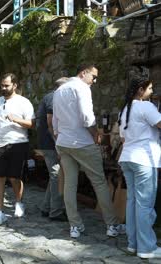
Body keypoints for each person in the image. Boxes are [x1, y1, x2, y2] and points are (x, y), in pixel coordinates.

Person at [52, 63, 125, 238]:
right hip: (81, 142)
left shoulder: (59, 90)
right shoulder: (82, 88)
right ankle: (112, 225)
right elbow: (87, 117)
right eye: (93, 76)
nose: (95, 80)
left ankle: (75, 226)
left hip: (64, 141)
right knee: (99, 182)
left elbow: (54, 120)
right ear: (84, 73)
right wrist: (96, 135)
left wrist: (58, 139)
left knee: (70, 183)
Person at [118, 77, 161, 259]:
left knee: (133, 202)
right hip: (144, 160)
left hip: (127, 158)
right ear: (141, 90)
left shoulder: (125, 109)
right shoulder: (146, 107)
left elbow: (122, 138)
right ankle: (147, 248)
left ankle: (132, 244)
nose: (152, 92)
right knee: (145, 205)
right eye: (150, 88)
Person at [0, 73, 35, 225]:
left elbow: (31, 123)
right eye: (2, 85)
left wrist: (15, 119)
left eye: (6, 85)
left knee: (15, 177)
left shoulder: (24, 102)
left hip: (18, 142)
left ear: (15, 85)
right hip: (0, 145)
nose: (3, 88)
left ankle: (18, 202)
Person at [36, 77, 68, 221]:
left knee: (54, 175)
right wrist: (58, 144)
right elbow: (50, 123)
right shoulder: (54, 98)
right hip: (50, 144)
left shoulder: (50, 97)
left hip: (47, 143)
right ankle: (55, 212)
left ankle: (46, 207)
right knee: (56, 176)